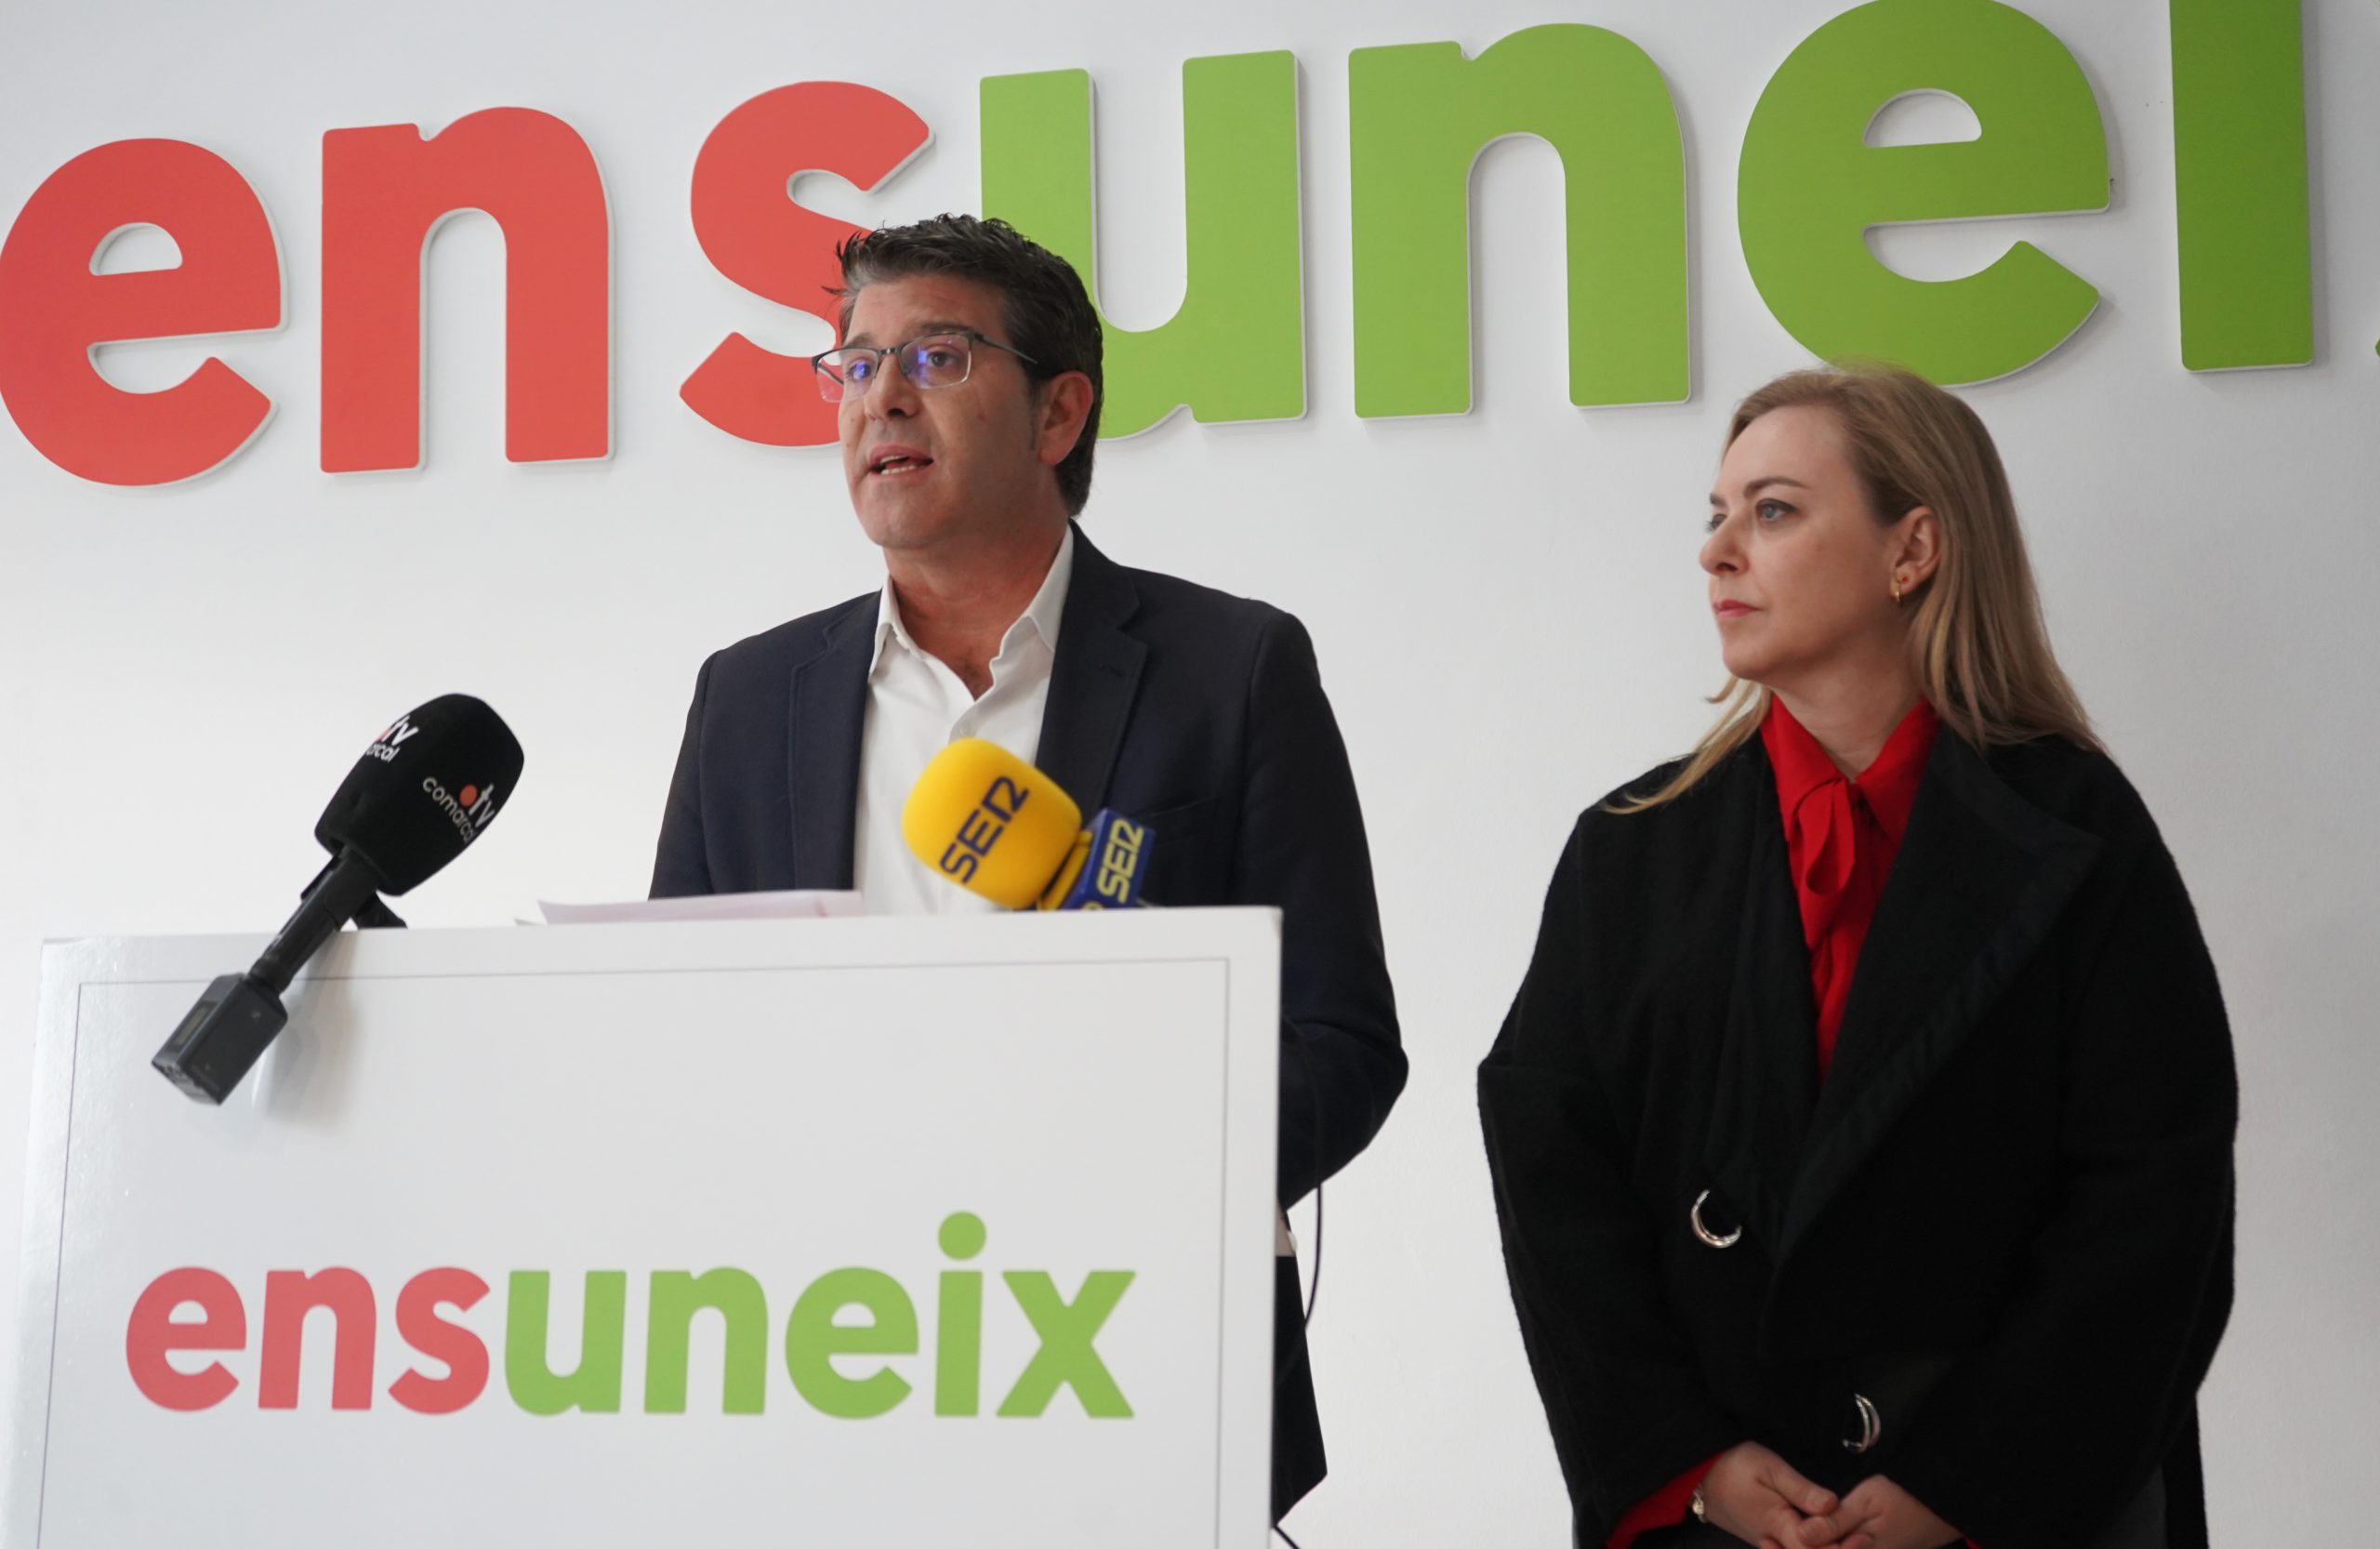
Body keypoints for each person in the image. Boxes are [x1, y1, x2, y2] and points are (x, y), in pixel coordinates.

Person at [650, 213, 1405, 1519]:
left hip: (1130, 1366)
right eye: (855, 363)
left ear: (1060, 413)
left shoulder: (1231, 671)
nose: (882, 396)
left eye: (937, 358)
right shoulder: (749, 696)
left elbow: (1339, 1043)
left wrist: (1113, 1176)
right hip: (817, 1361)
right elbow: (666, 1039)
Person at [1480, 364, 2236, 1549]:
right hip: (1729, 1514)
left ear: (1911, 548)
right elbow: (1551, 1174)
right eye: (1716, 515)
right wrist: (1684, 1459)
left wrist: (1966, 1483)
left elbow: (2153, 1196)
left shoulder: (2081, 832)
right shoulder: (1630, 849)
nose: (1716, 553)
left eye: (1772, 510)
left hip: (2021, 1514)